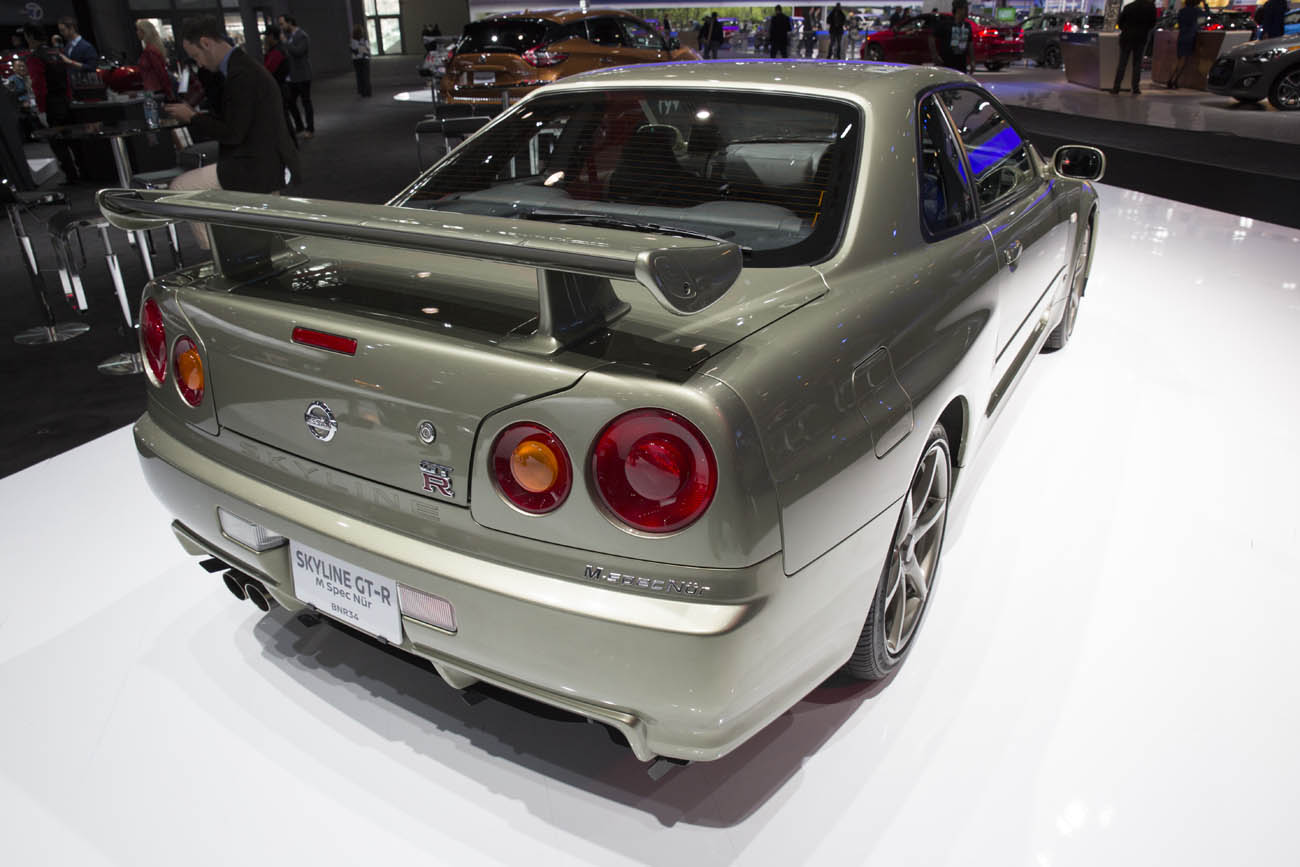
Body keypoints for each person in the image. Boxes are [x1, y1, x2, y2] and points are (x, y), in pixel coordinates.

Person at [164, 15, 299, 240]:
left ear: (206, 43)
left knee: (181, 188)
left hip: (255, 165)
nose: (198, 63)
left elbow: (232, 133)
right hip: (262, 161)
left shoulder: (241, 74)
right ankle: (226, 253)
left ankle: (219, 255)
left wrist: (193, 117)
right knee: (261, 234)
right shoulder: (240, 68)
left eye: (196, 56)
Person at [21, 24, 80, 183]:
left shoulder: (35, 58)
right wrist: (69, 98)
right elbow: (66, 79)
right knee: (74, 139)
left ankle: (71, 175)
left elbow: (39, 86)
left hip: (51, 105)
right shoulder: (56, 53)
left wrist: (41, 110)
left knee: (58, 142)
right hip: (66, 101)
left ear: (30, 37)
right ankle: (83, 171)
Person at [1109, 0, 1157, 94]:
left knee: (1122, 63)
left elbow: (1120, 22)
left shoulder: (1128, 7)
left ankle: (1116, 87)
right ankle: (1135, 88)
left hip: (1127, 37)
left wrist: (1126, 29)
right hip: (1141, 37)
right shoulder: (1151, 8)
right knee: (1137, 64)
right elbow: (1152, 24)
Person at [279, 14, 313, 139]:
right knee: (290, 102)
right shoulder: (290, 36)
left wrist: (285, 42)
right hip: (292, 76)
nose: (281, 27)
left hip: (303, 75)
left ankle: (310, 128)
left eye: (283, 24)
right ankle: (299, 126)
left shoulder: (302, 36)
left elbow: (298, 52)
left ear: (290, 23)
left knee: (306, 102)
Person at [263, 27, 295, 144]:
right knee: (283, 119)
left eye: (267, 36)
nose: (265, 39)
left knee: (283, 120)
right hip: (281, 88)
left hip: (279, 89)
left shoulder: (276, 52)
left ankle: (290, 145)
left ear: (271, 36)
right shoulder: (278, 50)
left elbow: (267, 71)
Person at [930, 0, 975, 73]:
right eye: (965, 8)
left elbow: (970, 43)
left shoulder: (967, 26)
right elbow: (931, 37)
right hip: (946, 63)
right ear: (958, 9)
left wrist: (972, 60)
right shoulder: (946, 24)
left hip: (961, 64)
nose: (967, 11)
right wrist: (935, 55)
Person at [1167, 0, 1203, 89]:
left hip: (1181, 36)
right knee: (1183, 61)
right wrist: (1205, 4)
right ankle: (1174, 81)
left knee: (1179, 60)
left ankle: (1171, 79)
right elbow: (1204, 18)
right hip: (1190, 37)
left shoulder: (1181, 11)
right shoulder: (1197, 11)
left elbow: (1179, 23)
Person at [135, 20, 174, 99]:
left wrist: (168, 92)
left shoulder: (150, 51)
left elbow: (160, 72)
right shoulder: (151, 50)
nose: (137, 33)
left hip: (156, 91)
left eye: (138, 30)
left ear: (144, 32)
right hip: (154, 90)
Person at [350, 26, 372, 97]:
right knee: (364, 76)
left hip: (359, 60)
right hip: (362, 59)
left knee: (361, 76)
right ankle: (365, 91)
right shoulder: (355, 41)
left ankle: (364, 91)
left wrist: (361, 49)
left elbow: (362, 50)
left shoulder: (354, 41)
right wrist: (363, 49)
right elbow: (358, 50)